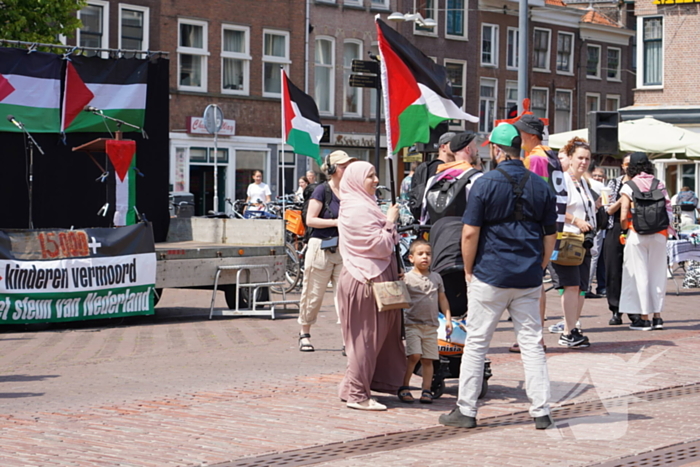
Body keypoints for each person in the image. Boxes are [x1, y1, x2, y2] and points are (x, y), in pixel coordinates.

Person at [438, 123, 556, 430]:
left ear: (497, 150)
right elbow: (550, 236)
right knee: (531, 344)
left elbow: (469, 233)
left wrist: (467, 271)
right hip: (528, 277)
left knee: (477, 343)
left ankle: (466, 410)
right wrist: (540, 267)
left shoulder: (485, 183)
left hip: (490, 274)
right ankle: (541, 410)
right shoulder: (541, 185)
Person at [336, 161, 406, 411]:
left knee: (371, 339)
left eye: (376, 175)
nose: (376, 180)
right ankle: (357, 395)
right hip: (366, 282)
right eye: (370, 176)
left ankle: (352, 386)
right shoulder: (358, 209)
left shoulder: (363, 205)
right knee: (364, 339)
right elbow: (379, 245)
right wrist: (389, 221)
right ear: (356, 180)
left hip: (373, 280)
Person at [508, 114, 567, 353]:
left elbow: (531, 193)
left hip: (536, 228)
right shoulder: (553, 156)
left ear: (530, 135)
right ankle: (535, 337)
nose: (516, 137)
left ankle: (534, 338)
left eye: (519, 133)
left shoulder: (534, 159)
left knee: (533, 286)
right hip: (554, 226)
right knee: (537, 284)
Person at [297, 151, 356, 352]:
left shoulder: (352, 191)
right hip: (321, 248)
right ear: (332, 169)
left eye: (349, 165)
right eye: (343, 166)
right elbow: (310, 220)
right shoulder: (322, 190)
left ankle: (346, 339)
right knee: (313, 293)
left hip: (344, 249)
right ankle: (304, 333)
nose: (347, 169)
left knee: (345, 296)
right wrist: (336, 222)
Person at [423, 132, 482, 320]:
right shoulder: (476, 179)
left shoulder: (435, 179)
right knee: (469, 300)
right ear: (468, 149)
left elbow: (424, 218)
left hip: (439, 248)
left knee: (443, 296)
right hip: (466, 249)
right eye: (475, 146)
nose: (477, 149)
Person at [551, 138, 597, 348]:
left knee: (581, 287)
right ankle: (568, 331)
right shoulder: (563, 180)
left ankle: (573, 327)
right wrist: (576, 220)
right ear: (569, 158)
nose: (584, 162)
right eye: (580, 158)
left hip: (584, 241)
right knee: (571, 285)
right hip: (569, 239)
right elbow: (557, 207)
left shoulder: (583, 182)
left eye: (587, 158)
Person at [620, 152, 674, 331]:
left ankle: (644, 318)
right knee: (657, 274)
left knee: (640, 276)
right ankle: (657, 317)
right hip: (659, 234)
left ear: (631, 167)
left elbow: (623, 212)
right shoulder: (660, 184)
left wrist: (625, 227)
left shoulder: (629, 186)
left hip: (637, 233)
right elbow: (669, 210)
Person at [398, 240, 452, 404]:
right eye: (420, 254)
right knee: (414, 355)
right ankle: (404, 386)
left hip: (431, 325)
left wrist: (448, 318)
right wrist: (399, 279)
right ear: (411, 258)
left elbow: (442, 298)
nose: (425, 257)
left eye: (428, 254)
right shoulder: (406, 277)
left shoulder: (436, 277)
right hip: (412, 323)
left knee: (428, 359)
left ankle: (426, 390)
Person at [603, 154, 633, 326]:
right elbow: (608, 209)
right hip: (614, 227)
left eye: (632, 164)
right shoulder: (614, 183)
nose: (629, 167)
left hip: (635, 228)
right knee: (613, 270)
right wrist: (624, 198)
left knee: (633, 270)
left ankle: (634, 311)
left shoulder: (641, 184)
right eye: (626, 164)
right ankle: (615, 310)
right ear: (622, 165)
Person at [407, 132, 456, 220]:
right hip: (435, 220)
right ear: (443, 147)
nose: (457, 147)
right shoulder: (438, 168)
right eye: (454, 144)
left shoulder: (432, 167)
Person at [585, 164, 607, 299]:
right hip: (595, 223)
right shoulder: (599, 186)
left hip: (580, 222)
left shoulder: (575, 181)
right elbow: (606, 204)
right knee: (593, 255)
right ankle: (586, 286)